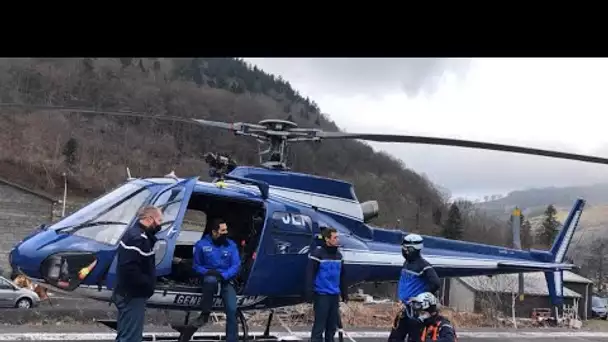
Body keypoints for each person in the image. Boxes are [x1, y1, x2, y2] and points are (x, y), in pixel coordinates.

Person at [113, 205, 163, 342]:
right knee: (131, 338)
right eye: (159, 220)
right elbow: (129, 270)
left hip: (128, 293)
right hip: (132, 295)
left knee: (125, 335)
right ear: (150, 219)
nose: (160, 225)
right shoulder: (138, 239)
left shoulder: (135, 234)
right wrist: (147, 285)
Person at [192, 218, 241, 341]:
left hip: (226, 280)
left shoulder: (231, 245)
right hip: (209, 278)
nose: (225, 232)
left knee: (232, 310)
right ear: (214, 232)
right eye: (222, 230)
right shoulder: (201, 245)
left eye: (226, 230)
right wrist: (206, 272)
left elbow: (236, 265)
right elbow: (196, 265)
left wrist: (224, 275)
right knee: (210, 281)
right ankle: (205, 314)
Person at [389, 234, 441, 342]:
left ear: (412, 249)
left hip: (416, 312)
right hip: (404, 310)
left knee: (415, 338)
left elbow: (435, 283)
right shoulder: (407, 263)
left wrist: (420, 297)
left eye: (405, 249)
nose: (403, 251)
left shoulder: (423, 265)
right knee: (395, 338)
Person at [306, 227, 348, 342]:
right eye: (335, 237)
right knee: (319, 327)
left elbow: (342, 275)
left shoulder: (339, 256)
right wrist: (309, 292)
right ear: (327, 239)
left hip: (334, 296)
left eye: (337, 237)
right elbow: (310, 274)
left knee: (331, 328)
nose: (337, 240)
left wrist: (344, 292)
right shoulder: (317, 254)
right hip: (322, 296)